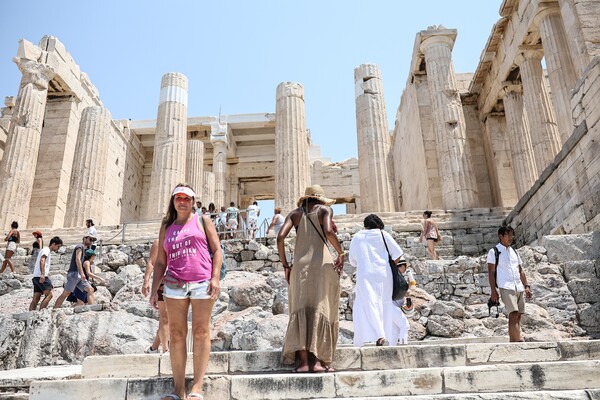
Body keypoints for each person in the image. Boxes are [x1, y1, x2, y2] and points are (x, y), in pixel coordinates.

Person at [150, 184, 222, 400]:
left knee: (201, 332)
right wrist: (155, 290)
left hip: (201, 282)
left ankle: (197, 387)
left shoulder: (203, 220)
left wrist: (215, 277)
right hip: (173, 284)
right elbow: (161, 261)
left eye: (187, 198)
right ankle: (178, 390)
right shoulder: (167, 226)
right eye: (178, 198)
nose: (182, 201)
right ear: (173, 201)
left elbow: (217, 249)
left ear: (193, 201)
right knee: (176, 334)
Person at [277, 185, 344, 373]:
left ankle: (304, 363)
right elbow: (329, 232)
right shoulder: (325, 210)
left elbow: (280, 237)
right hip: (322, 264)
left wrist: (285, 265)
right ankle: (318, 362)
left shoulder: (295, 214)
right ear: (321, 200)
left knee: (300, 309)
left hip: (299, 266)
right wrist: (341, 253)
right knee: (320, 308)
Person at [349, 214, 403, 347]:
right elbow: (397, 253)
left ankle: (378, 335)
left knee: (367, 303)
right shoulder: (383, 234)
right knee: (384, 303)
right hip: (384, 274)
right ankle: (383, 335)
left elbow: (353, 260)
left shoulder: (357, 237)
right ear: (379, 224)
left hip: (365, 274)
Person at [487, 226, 533, 342]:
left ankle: (517, 338)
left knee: (519, 315)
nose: (510, 237)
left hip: (518, 286)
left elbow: (520, 270)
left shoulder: (514, 251)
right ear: (500, 237)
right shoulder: (494, 251)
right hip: (506, 286)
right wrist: (493, 291)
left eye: (512, 235)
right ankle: (515, 341)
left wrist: (526, 286)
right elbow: (491, 272)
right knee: (513, 313)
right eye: (507, 235)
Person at [142, 239, 169, 354]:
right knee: (165, 317)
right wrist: (146, 281)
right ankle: (166, 350)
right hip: (163, 282)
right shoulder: (159, 242)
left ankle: (153, 348)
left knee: (169, 319)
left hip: (179, 281)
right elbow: (151, 262)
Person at [53, 235, 97, 308]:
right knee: (66, 293)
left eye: (92, 240)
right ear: (84, 238)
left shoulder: (83, 249)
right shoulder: (80, 247)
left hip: (79, 275)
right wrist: (82, 273)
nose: (91, 242)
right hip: (74, 273)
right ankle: (55, 309)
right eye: (90, 239)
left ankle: (92, 309)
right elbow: (78, 259)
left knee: (90, 289)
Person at [29, 236, 63, 311]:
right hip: (40, 276)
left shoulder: (45, 250)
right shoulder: (46, 250)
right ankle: (41, 313)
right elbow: (42, 260)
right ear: (53, 244)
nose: (58, 249)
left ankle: (30, 314)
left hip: (36, 276)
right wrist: (43, 274)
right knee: (49, 295)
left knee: (36, 298)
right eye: (58, 246)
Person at [389, 256, 416, 345]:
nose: (406, 268)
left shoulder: (395, 277)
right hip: (391, 306)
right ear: (401, 266)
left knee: (395, 331)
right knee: (405, 326)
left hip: (390, 306)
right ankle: (403, 348)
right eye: (405, 266)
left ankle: (392, 350)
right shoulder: (395, 278)